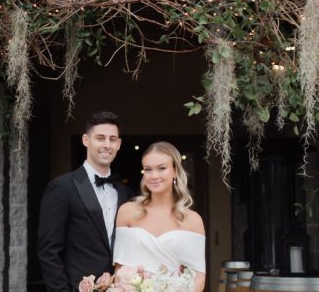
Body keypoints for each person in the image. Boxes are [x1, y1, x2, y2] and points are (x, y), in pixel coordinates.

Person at [37, 111, 133, 291]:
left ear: (119, 144)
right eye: (100, 138)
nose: (107, 144)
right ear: (86, 140)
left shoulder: (125, 193)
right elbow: (49, 251)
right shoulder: (62, 187)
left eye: (112, 139)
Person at [113, 141, 206, 291]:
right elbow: (119, 269)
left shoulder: (193, 220)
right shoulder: (127, 212)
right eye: (148, 170)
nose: (154, 176)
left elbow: (199, 278)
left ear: (175, 170)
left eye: (162, 168)